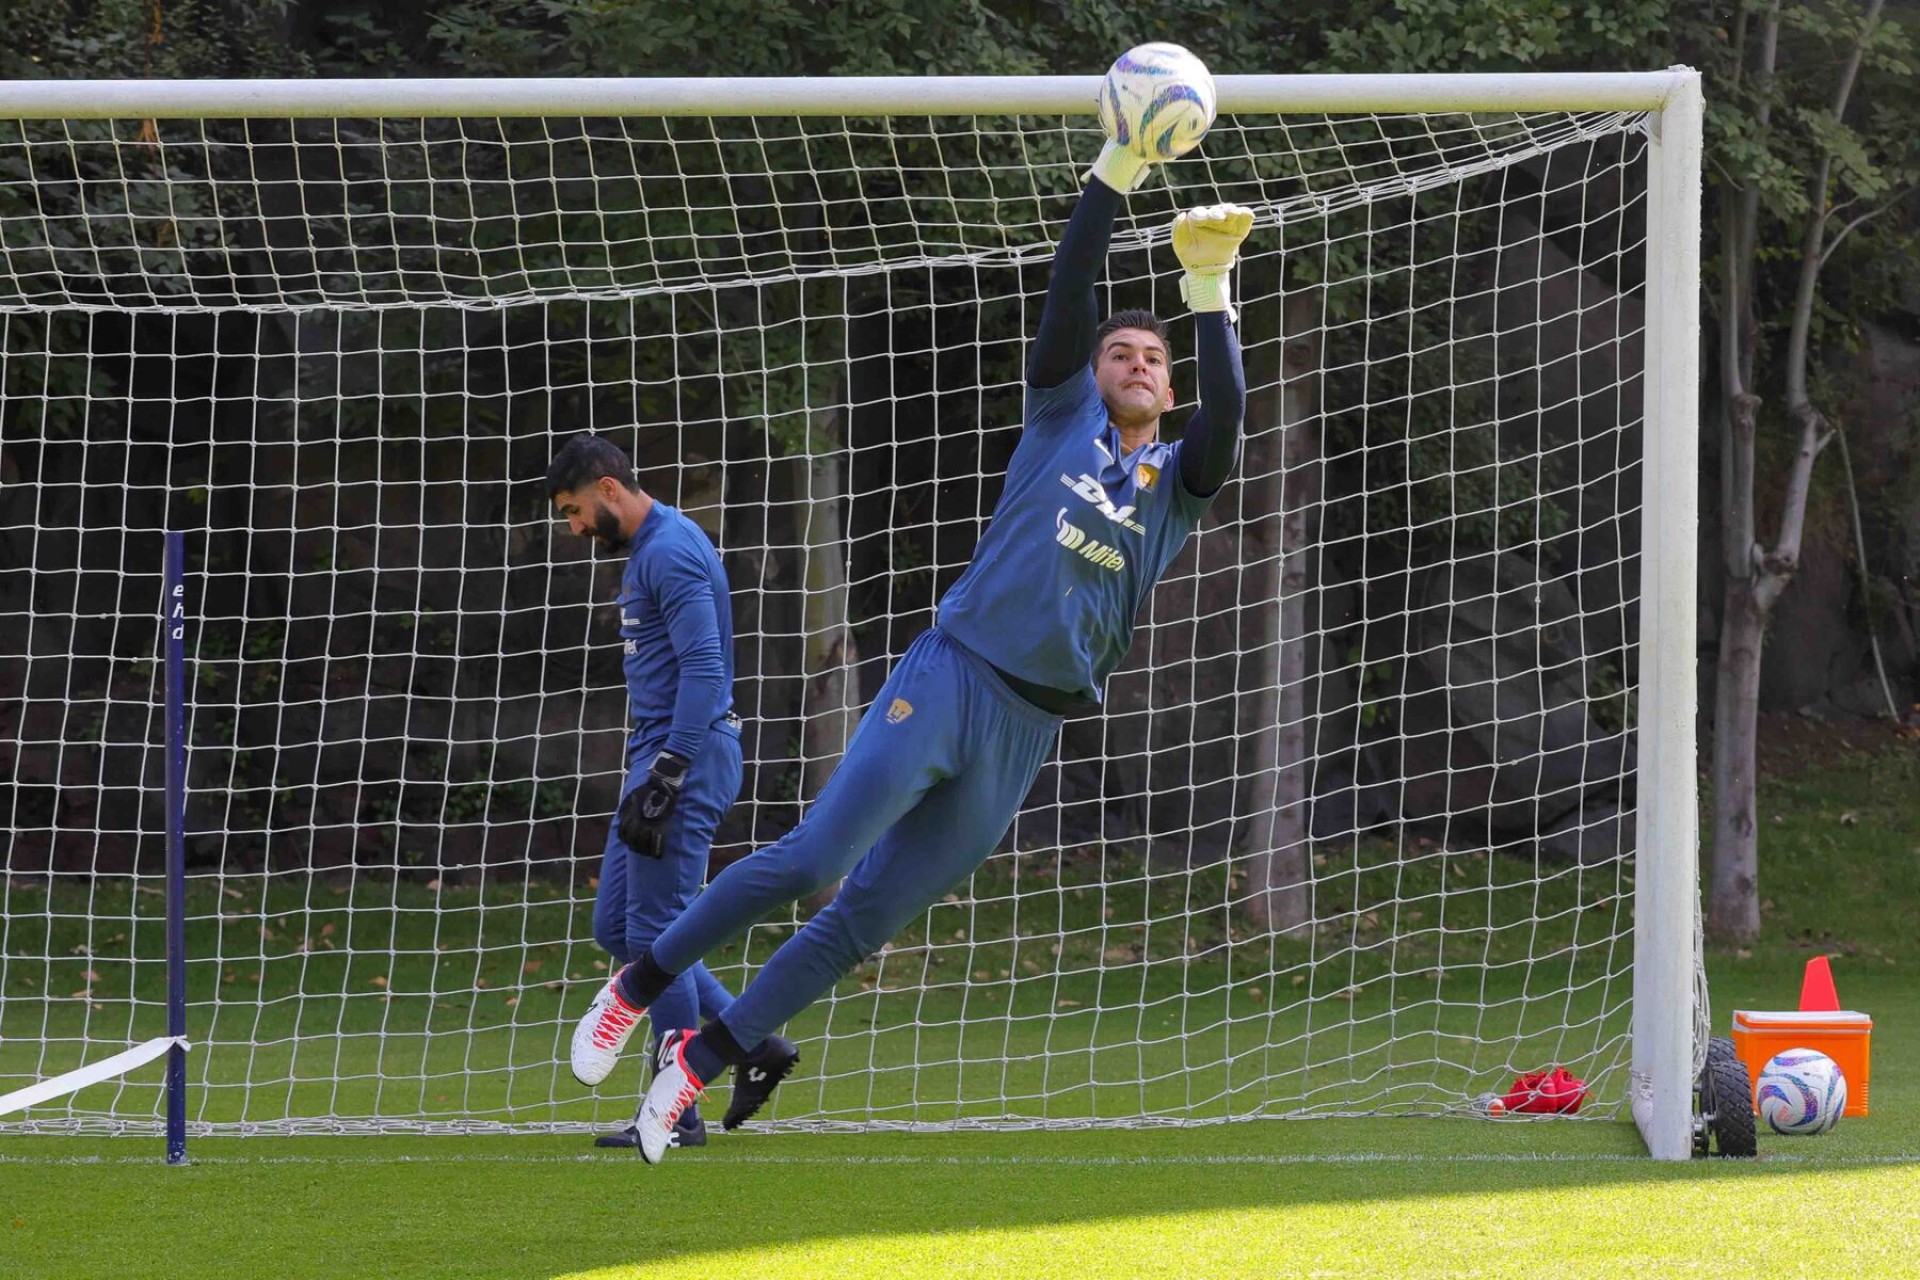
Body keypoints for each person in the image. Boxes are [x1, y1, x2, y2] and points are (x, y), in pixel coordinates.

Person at [568, 128, 1254, 1164]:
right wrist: (1117, 171)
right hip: (952, 674)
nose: (1138, 364)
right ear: (1093, 372)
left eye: (1154, 360)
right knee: (814, 858)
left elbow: (1228, 409)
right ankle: (637, 985)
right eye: (1122, 352)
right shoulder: (1062, 418)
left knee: (862, 922)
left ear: (1168, 389)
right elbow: (1070, 290)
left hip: (1027, 730)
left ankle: (696, 1067)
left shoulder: (1175, 490)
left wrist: (1209, 288)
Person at [546, 435, 798, 1149]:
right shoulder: (647, 551)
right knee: (618, 930)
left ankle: (678, 1109)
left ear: (608, 488)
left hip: (684, 758)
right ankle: (752, 1044)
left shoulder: (672, 551)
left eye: (573, 510)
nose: (574, 528)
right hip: (659, 758)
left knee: (657, 932)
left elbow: (706, 670)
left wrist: (669, 771)